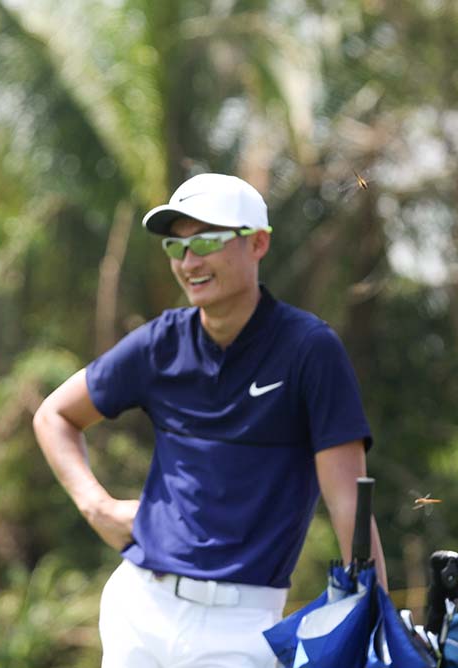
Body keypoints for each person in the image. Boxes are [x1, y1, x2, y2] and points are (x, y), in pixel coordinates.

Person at [32, 173, 386, 668]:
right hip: (140, 606)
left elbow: (350, 502)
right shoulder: (162, 342)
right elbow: (55, 414)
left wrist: (374, 628)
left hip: (242, 629)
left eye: (207, 242)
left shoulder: (309, 349)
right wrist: (96, 507)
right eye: (177, 246)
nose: (189, 261)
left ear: (258, 243)